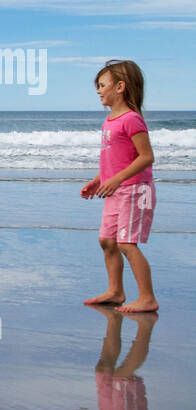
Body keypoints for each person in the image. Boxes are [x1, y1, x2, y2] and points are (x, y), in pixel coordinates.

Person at [80, 60, 157, 313]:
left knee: (126, 243)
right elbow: (115, 159)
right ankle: (116, 291)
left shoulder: (131, 119)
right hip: (115, 190)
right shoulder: (109, 121)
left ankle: (147, 298)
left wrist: (116, 180)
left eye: (102, 85)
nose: (98, 91)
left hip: (136, 190)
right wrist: (99, 179)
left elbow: (146, 157)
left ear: (120, 87)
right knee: (107, 241)